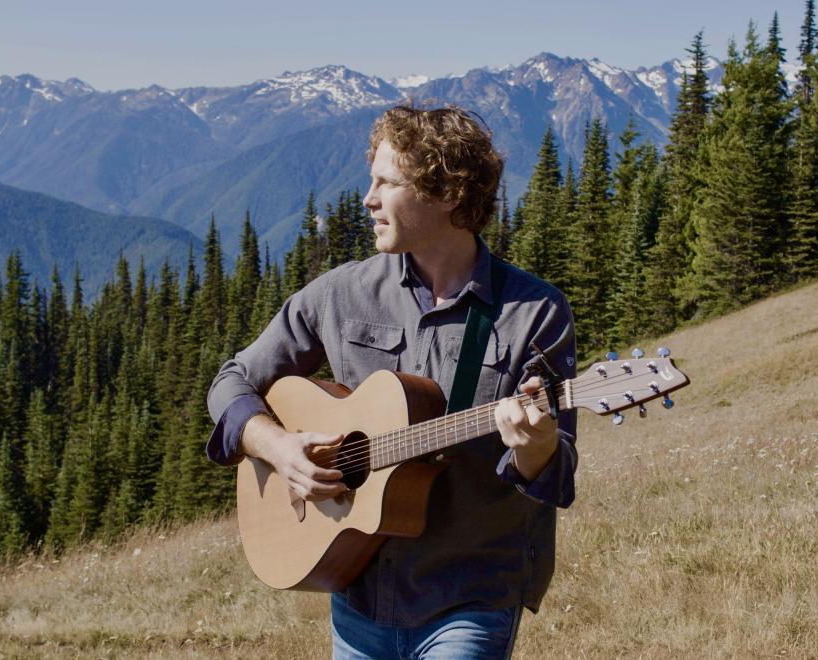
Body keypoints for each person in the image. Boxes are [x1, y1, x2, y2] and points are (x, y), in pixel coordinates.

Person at [206, 105, 577, 659]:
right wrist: (279, 448)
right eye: (371, 179)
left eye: (386, 182)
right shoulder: (339, 294)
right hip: (358, 593)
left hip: (469, 596)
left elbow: (557, 475)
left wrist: (538, 446)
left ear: (449, 193)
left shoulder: (533, 312)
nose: (368, 198)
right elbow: (231, 383)